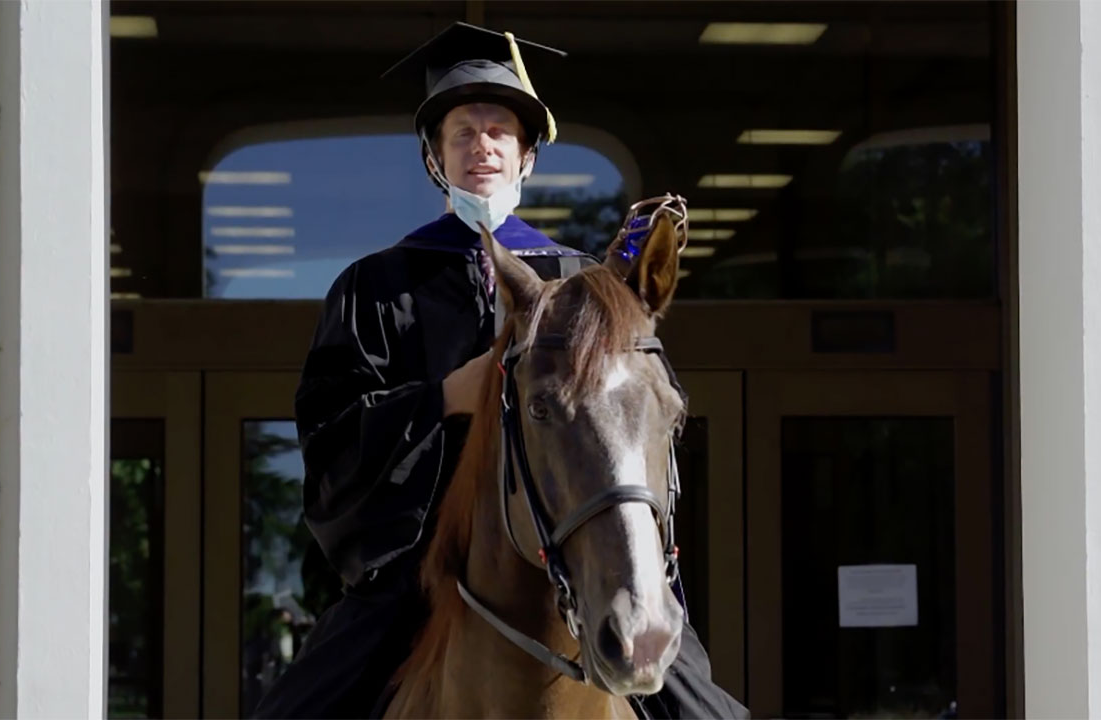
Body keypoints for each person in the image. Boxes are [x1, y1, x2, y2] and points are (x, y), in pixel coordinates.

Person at [252, 22, 748, 720]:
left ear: (526, 157)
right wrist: (443, 398)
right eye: (462, 132)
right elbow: (331, 444)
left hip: (576, 552)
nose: (481, 145)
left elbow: (636, 420)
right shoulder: (375, 288)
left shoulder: (582, 284)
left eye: (498, 131)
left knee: (701, 705)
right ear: (435, 159)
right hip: (423, 571)